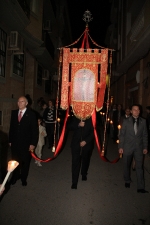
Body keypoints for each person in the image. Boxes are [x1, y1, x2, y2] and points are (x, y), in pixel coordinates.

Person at [9, 96, 39, 186]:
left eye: (22, 102)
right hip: (15, 143)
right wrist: (10, 140)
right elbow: (12, 128)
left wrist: (33, 143)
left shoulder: (31, 114)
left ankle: (23, 178)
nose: (19, 103)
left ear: (26, 103)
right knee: (14, 161)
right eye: (18, 101)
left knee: (25, 162)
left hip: (26, 144)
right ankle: (15, 176)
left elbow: (34, 130)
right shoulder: (14, 113)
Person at [118, 104, 148, 193]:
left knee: (139, 167)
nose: (136, 111)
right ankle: (127, 180)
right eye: (134, 110)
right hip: (127, 147)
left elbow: (145, 135)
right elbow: (122, 135)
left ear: (140, 111)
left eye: (138, 110)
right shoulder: (126, 121)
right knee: (127, 165)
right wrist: (121, 147)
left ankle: (141, 187)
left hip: (139, 148)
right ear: (131, 111)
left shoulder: (143, 121)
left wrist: (145, 147)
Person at [69, 116, 94, 189]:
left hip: (87, 144)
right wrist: (78, 125)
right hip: (76, 144)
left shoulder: (91, 118)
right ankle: (74, 182)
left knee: (85, 160)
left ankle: (84, 173)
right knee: (75, 162)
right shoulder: (75, 116)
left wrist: (86, 141)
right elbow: (69, 126)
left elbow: (93, 132)